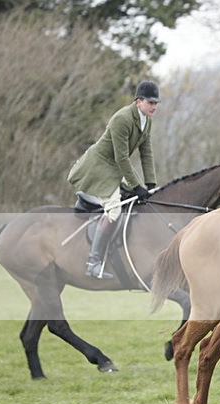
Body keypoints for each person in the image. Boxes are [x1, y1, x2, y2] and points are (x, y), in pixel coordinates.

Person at [67, 80, 160, 279]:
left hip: (115, 167)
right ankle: (93, 262)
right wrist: (136, 186)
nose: (154, 106)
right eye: (151, 102)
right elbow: (121, 158)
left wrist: (151, 183)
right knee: (115, 209)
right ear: (139, 101)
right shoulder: (122, 118)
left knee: (138, 201)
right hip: (99, 166)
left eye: (156, 103)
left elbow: (146, 152)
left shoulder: (147, 120)